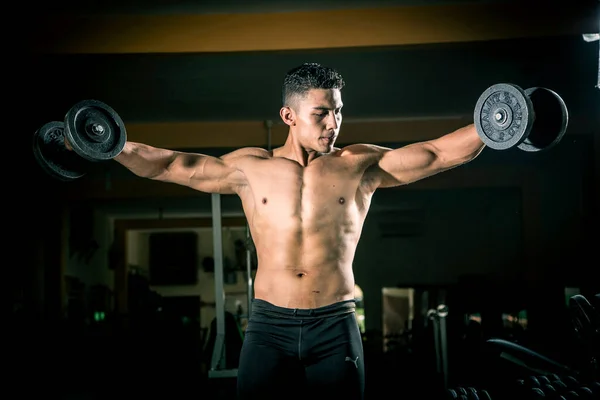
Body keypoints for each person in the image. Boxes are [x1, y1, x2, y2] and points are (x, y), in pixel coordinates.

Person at [110, 62, 485, 398]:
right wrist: (109, 145)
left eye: (338, 112)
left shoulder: (359, 165)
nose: (333, 124)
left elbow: (437, 153)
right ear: (288, 115)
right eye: (320, 114)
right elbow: (171, 164)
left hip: (334, 322)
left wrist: (494, 124)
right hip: (268, 325)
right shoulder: (251, 168)